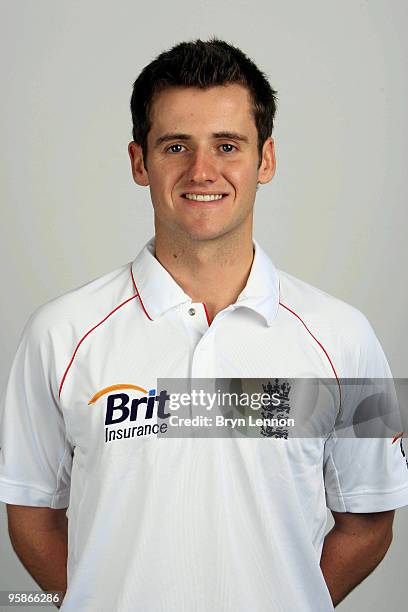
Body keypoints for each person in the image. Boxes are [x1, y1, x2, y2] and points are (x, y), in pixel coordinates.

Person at [1, 38, 407, 612]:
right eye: (175, 146)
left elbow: (370, 521)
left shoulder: (347, 336)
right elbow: (30, 512)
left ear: (265, 159)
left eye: (227, 145)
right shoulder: (57, 335)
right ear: (140, 162)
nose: (202, 171)